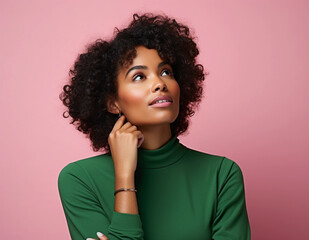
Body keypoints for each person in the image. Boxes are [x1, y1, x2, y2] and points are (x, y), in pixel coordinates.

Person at [58, 12, 251, 240]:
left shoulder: (221, 175)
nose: (160, 83)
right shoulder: (79, 180)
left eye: (166, 72)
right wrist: (124, 175)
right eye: (139, 76)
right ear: (112, 102)